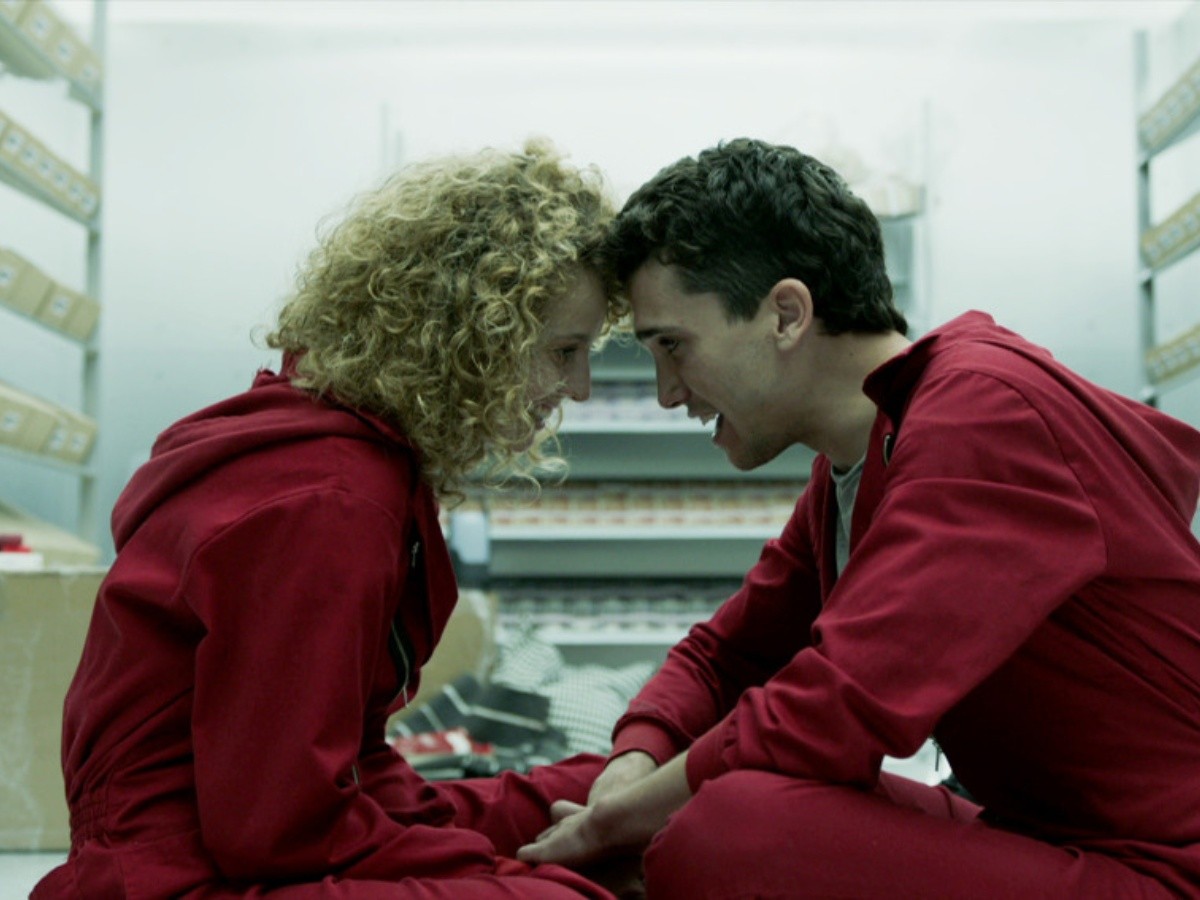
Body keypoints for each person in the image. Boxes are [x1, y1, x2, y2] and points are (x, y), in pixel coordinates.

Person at [517, 138, 1200, 898]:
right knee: (645, 798)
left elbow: (832, 710)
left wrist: (615, 825)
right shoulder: (859, 462)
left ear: (786, 314)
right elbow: (725, 657)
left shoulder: (984, 414)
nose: (667, 392)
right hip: (1040, 837)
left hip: (1162, 867)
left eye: (674, 346)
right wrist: (633, 763)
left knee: (728, 830)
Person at [34, 139, 630, 900]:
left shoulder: (327, 451)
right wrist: (506, 870)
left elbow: (342, 767)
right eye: (565, 351)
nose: (579, 387)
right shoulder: (333, 503)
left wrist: (571, 806)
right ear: (475, 337)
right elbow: (279, 829)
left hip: (198, 847)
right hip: (173, 880)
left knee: (575, 796)